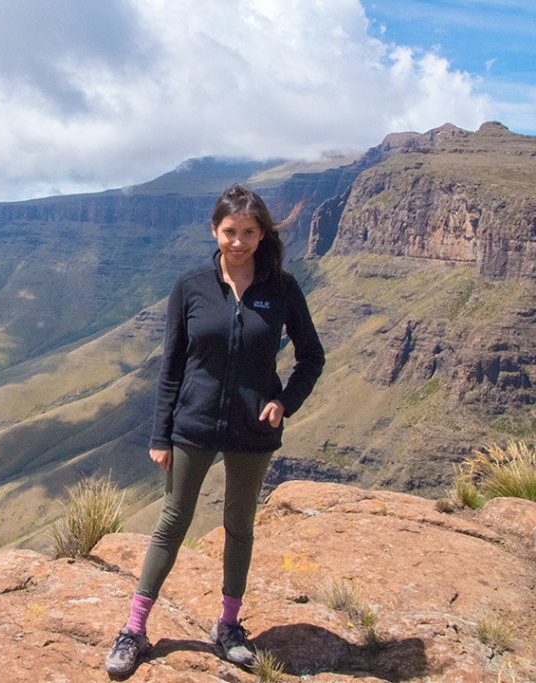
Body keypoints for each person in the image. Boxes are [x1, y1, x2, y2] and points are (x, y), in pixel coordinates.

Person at [104, 183, 325, 677]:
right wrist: (161, 436)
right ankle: (134, 629)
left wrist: (284, 402)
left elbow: (312, 356)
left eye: (250, 232)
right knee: (172, 522)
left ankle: (228, 626)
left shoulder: (282, 289)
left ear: (263, 234)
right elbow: (172, 366)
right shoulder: (192, 286)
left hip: (252, 429)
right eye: (230, 232)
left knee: (239, 526)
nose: (240, 242)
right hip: (194, 424)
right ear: (214, 230)